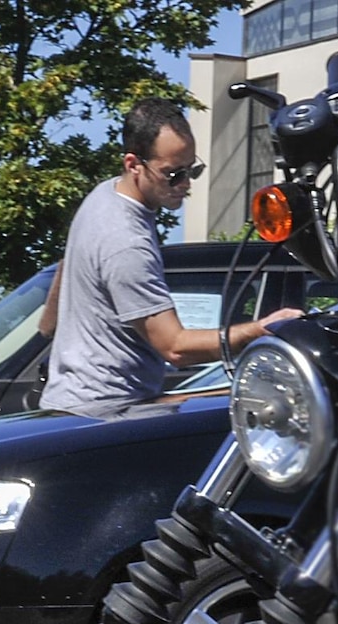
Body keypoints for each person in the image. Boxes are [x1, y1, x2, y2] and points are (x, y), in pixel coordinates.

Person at [39, 97, 302, 419]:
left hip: (74, 402)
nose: (186, 185)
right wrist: (262, 329)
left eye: (192, 169)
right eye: (172, 174)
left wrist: (49, 328)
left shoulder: (104, 196)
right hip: (105, 415)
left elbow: (65, 271)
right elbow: (175, 347)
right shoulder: (125, 242)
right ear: (133, 165)